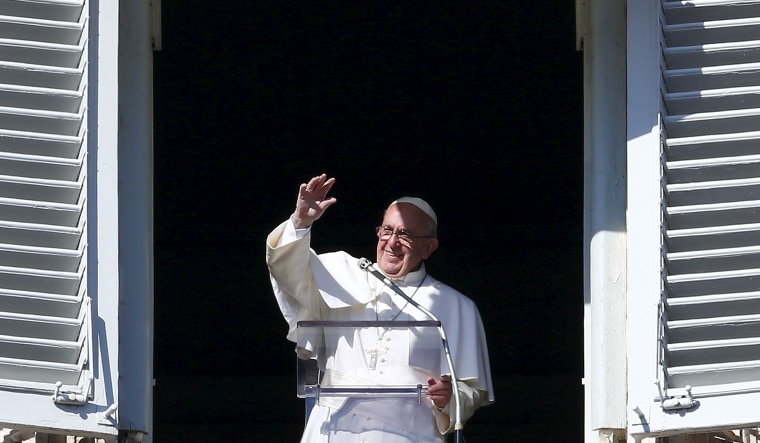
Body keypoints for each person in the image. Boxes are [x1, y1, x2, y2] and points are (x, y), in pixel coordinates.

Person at [266, 174, 494, 443]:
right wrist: (300, 222)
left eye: (406, 234)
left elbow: (471, 391)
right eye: (387, 230)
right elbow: (286, 271)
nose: (393, 242)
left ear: (428, 247)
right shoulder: (341, 273)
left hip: (409, 435)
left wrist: (450, 398)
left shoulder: (454, 306)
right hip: (332, 431)